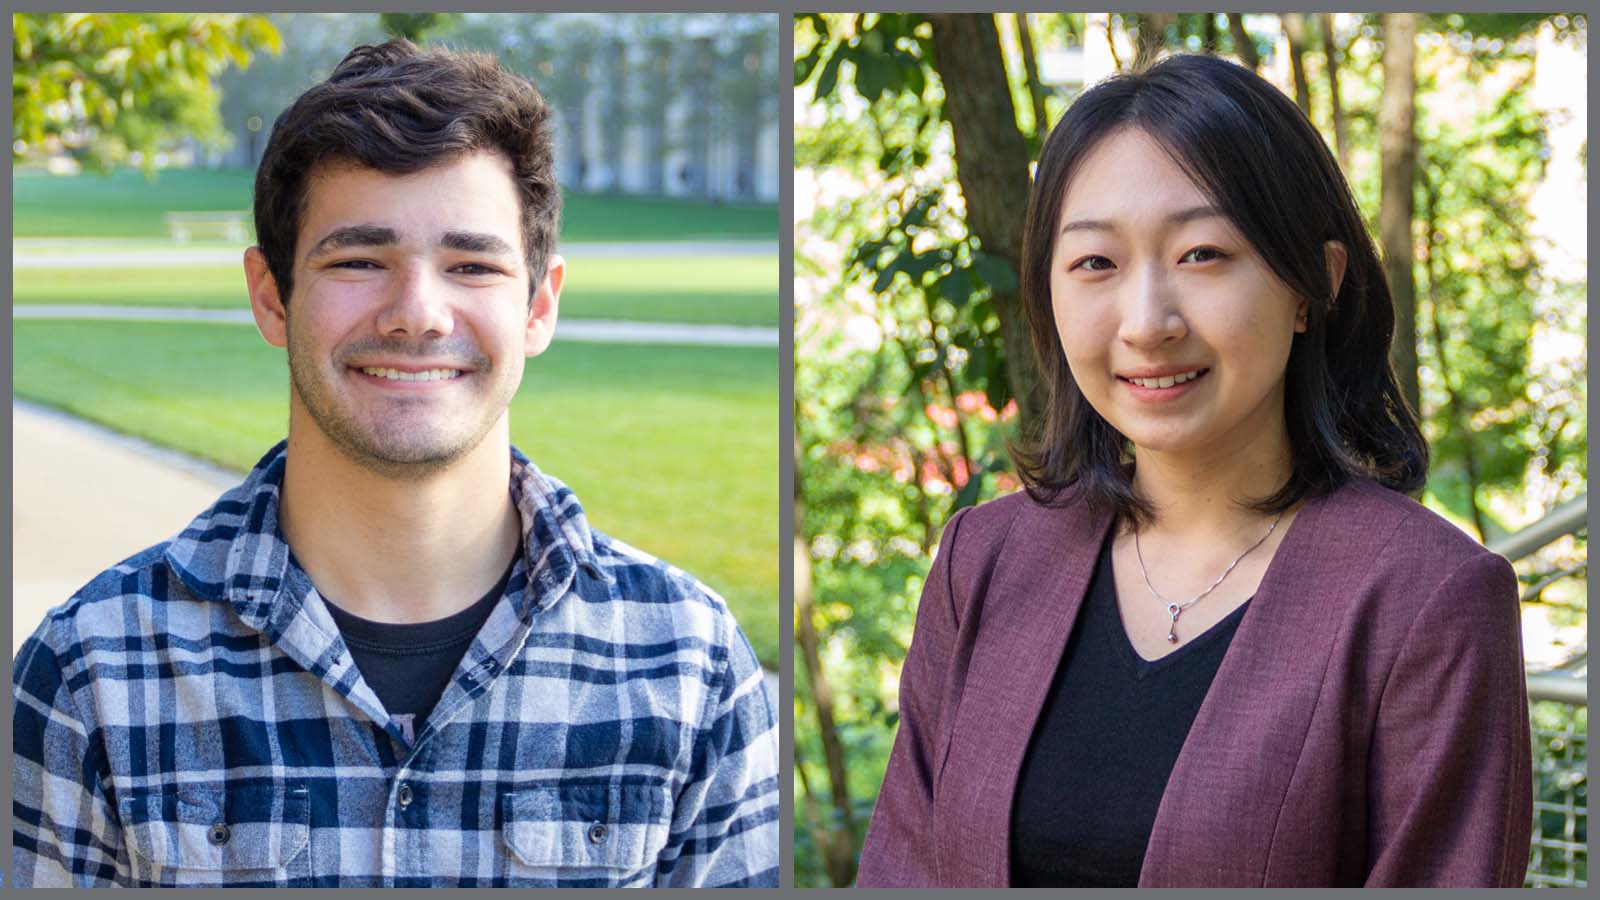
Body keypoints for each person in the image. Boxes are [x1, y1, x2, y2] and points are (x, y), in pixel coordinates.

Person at [12, 40, 778, 888]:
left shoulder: (688, 667)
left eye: (472, 265)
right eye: (359, 260)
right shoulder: (93, 674)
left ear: (539, 304)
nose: (417, 313)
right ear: (271, 296)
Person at [856, 53, 1531, 888]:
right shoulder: (984, 561)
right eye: (1096, 263)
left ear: (1310, 287)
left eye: (1204, 254)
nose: (1146, 322)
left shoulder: (1427, 600)